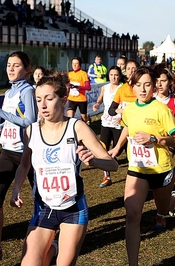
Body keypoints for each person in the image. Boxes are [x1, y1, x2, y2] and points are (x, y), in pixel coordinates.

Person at [10, 73, 118, 266]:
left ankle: (55, 249)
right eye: (38, 99)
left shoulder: (77, 127)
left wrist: (94, 162)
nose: (42, 105)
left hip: (73, 209)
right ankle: (53, 248)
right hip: (44, 209)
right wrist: (16, 188)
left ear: (63, 100)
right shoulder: (31, 131)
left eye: (49, 99)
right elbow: (25, 165)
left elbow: (113, 164)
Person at [108, 66, 175, 266]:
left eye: (147, 85)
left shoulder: (162, 109)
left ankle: (172, 202)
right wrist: (116, 148)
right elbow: (127, 127)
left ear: (154, 86)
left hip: (162, 169)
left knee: (163, 209)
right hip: (137, 168)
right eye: (138, 85)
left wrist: (155, 138)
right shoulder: (129, 109)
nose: (142, 89)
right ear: (132, 87)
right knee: (132, 214)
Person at [0, 51, 37, 261]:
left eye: (16, 65)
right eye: (9, 65)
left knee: (41, 200)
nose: (11, 68)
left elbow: (30, 120)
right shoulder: (10, 91)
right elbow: (16, 117)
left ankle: (52, 240)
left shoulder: (28, 90)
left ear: (27, 70)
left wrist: (1, 114)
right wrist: (3, 125)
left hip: (27, 154)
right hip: (7, 151)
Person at [93, 66, 124, 187]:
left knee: (118, 149)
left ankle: (112, 160)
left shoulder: (122, 88)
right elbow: (100, 99)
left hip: (117, 122)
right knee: (103, 148)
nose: (114, 77)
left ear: (120, 76)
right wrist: (97, 104)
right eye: (111, 75)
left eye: (116, 75)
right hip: (105, 122)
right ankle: (107, 177)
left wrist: (121, 116)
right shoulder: (104, 87)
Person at [153, 64, 175, 165]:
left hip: (168, 141)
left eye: (163, 81)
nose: (159, 84)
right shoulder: (150, 99)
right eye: (157, 81)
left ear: (170, 81)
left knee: (165, 164)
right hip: (152, 140)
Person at [67, 57, 91, 123]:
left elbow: (88, 87)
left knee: (84, 118)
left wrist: (78, 87)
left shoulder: (83, 73)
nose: (74, 65)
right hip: (71, 99)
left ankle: (86, 119)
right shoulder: (70, 74)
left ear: (80, 65)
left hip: (81, 99)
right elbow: (68, 86)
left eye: (76, 64)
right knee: (70, 117)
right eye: (73, 64)